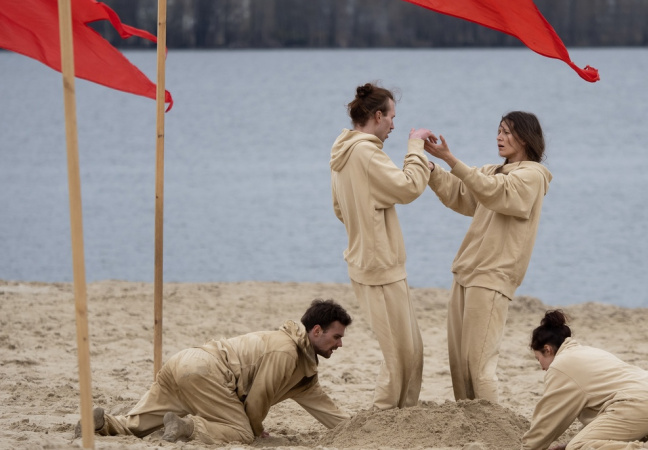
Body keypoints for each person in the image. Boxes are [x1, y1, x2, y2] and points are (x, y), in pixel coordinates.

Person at [75, 299, 353, 444]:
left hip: (185, 361)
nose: (340, 343)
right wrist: (255, 430)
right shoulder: (286, 351)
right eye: (337, 337)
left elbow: (326, 410)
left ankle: (101, 424)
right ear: (316, 331)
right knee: (241, 433)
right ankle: (187, 427)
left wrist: (359, 428)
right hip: (207, 373)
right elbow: (257, 401)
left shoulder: (303, 370)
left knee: (139, 425)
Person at [422, 111, 551, 402]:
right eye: (498, 131)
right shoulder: (493, 171)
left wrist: (451, 160)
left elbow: (496, 193)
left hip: (493, 275)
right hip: (466, 271)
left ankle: (494, 432)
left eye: (506, 132)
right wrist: (431, 168)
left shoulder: (532, 176)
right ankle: (472, 428)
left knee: (479, 364)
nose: (499, 137)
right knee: (460, 363)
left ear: (525, 137)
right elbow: (462, 193)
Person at [330, 82, 433, 410]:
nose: (394, 125)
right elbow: (408, 188)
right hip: (378, 265)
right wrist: (415, 148)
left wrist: (367, 223)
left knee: (410, 349)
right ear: (377, 115)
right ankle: (384, 418)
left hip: (374, 261)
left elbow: (338, 208)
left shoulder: (343, 149)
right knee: (400, 354)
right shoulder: (364, 151)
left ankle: (400, 417)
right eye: (392, 117)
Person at [521, 310, 648, 450]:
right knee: (629, 440)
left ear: (547, 349)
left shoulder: (561, 365)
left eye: (539, 358)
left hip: (643, 404)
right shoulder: (587, 353)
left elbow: (549, 420)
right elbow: (605, 423)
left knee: (579, 447)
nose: (542, 367)